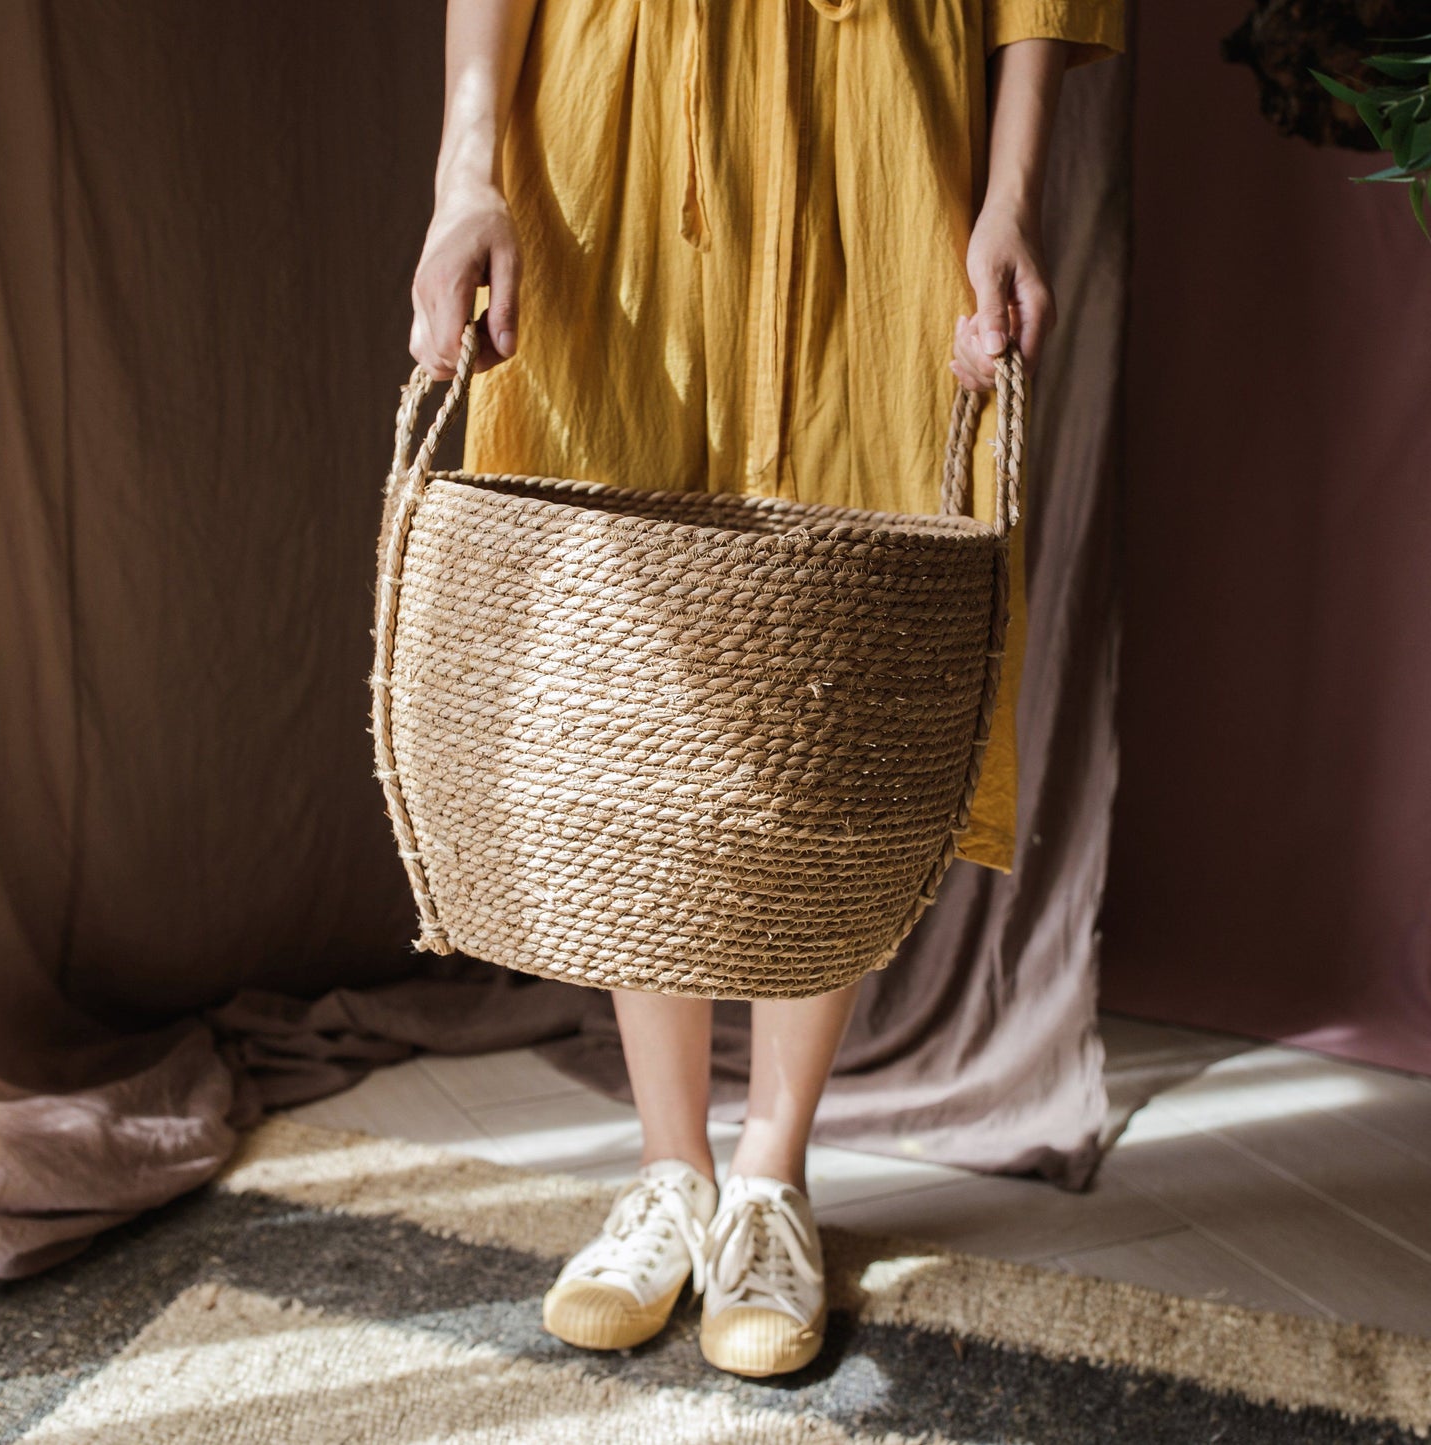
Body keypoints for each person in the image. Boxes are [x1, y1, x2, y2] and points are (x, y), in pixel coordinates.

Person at [410, 0, 1124, 1380]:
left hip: (880, 115)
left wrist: (1010, 196)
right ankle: (669, 1171)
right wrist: (467, 173)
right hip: (616, 126)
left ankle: (770, 1177)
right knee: (629, 671)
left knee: (846, 655)